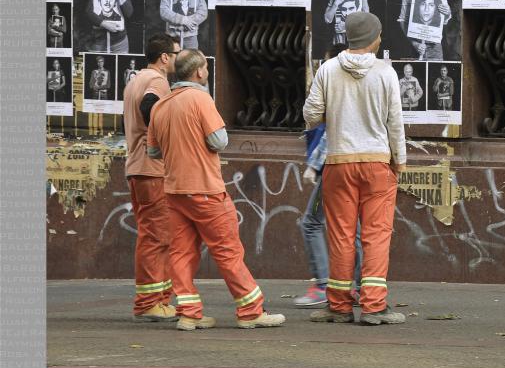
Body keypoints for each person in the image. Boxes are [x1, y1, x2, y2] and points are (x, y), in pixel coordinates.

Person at [147, 49, 285, 331]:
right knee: (227, 250)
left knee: (181, 253)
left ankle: (189, 313)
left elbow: (153, 151)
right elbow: (219, 141)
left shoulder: (161, 106)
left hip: (174, 190)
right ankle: (250, 310)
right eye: (206, 70)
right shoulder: (200, 98)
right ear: (199, 71)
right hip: (206, 190)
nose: (207, 74)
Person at [303, 11, 407, 326]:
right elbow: (395, 122)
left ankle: (339, 306)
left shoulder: (328, 70)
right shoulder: (385, 73)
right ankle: (374, 307)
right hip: (377, 163)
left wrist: (334, 113)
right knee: (376, 235)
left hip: (339, 163)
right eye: (379, 34)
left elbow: (311, 115)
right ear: (372, 38)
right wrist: (399, 160)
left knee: (341, 236)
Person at [295, 43, 364, 308]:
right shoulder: (364, 84)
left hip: (333, 169)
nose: (323, 68)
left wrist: (314, 166)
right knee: (355, 229)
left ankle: (323, 284)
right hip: (362, 165)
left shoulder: (333, 85)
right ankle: (357, 287)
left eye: (325, 62)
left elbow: (329, 131)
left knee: (311, 222)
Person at [123, 34, 181, 322]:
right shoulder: (157, 81)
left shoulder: (136, 78)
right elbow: (150, 108)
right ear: (165, 57)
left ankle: (156, 299)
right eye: (176, 53)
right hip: (151, 168)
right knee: (157, 237)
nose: (179, 59)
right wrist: (164, 136)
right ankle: (149, 302)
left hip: (137, 168)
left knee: (153, 235)